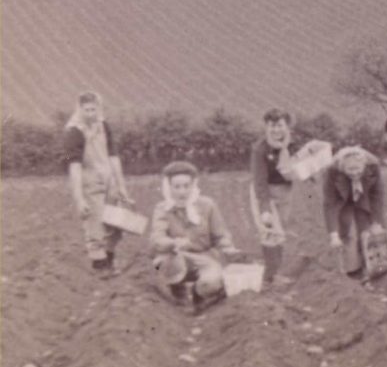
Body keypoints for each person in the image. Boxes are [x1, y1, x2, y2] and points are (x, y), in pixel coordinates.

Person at [150, 160, 240, 312]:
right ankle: (177, 290)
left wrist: (229, 249)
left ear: (193, 186)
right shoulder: (162, 209)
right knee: (166, 263)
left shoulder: (207, 205)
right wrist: (172, 243)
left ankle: (199, 294)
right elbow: (156, 239)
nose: (182, 192)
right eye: (176, 187)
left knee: (212, 283)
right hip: (175, 257)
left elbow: (220, 235)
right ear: (168, 187)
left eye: (186, 186)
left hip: (204, 257)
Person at [65, 91, 133, 276]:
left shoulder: (103, 125)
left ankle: (109, 258)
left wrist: (121, 186)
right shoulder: (74, 132)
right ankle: (100, 265)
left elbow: (113, 156)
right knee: (94, 224)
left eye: (93, 109)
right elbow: (74, 167)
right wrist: (79, 199)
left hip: (109, 180)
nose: (90, 114)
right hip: (89, 183)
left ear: (99, 109)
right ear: (79, 109)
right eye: (86, 110)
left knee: (116, 222)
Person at [249, 108, 299, 288]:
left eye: (279, 125)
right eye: (271, 126)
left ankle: (273, 273)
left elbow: (300, 165)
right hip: (265, 192)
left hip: (285, 191)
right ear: (266, 127)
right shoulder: (260, 149)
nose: (276, 130)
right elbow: (259, 181)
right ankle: (270, 278)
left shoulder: (292, 144)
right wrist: (265, 209)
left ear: (287, 126)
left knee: (281, 232)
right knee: (270, 231)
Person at [322, 145, 386, 278]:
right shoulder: (332, 171)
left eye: (358, 169)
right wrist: (333, 235)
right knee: (345, 229)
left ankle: (369, 266)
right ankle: (351, 269)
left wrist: (376, 222)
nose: (354, 172)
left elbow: (377, 196)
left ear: (364, 166)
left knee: (366, 230)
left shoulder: (373, 166)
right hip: (343, 198)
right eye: (350, 169)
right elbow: (330, 204)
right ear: (342, 168)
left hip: (363, 195)